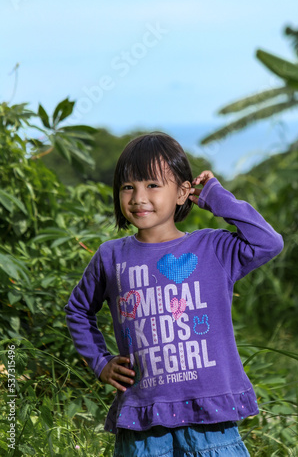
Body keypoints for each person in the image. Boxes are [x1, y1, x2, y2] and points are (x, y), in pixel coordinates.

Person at [65, 132, 283, 456]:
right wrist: (100, 362)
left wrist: (217, 198)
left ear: (183, 192)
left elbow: (268, 242)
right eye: (128, 186)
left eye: (153, 185)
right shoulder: (111, 257)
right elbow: (78, 310)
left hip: (212, 423)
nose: (139, 196)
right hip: (143, 427)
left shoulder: (213, 249)